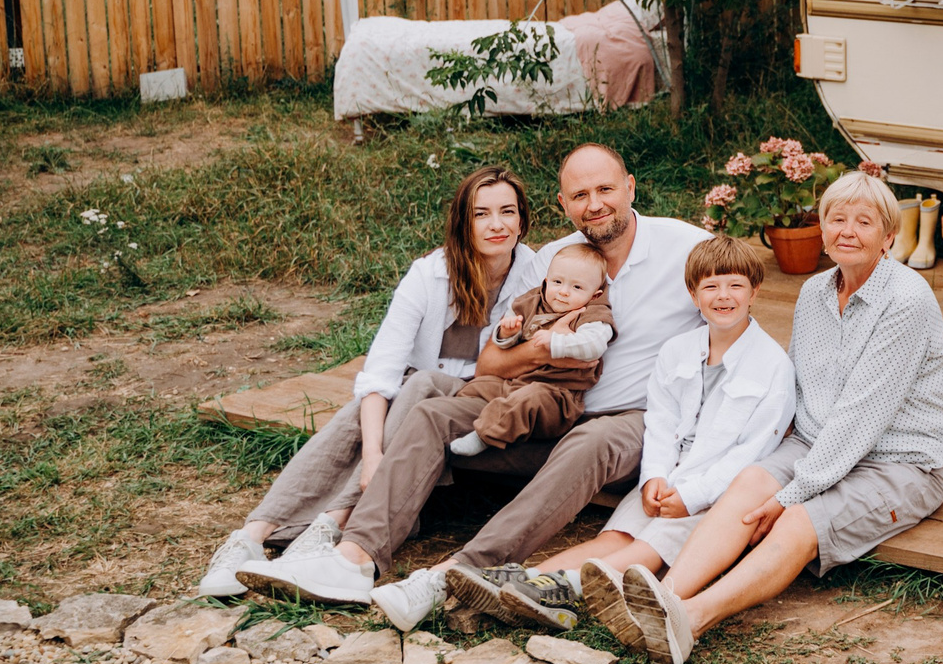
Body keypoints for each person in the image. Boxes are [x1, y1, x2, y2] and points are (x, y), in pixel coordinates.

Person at [242, 144, 708, 629]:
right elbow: (489, 360)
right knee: (430, 412)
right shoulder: (550, 262)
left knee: (590, 440)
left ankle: (458, 570)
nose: (594, 204)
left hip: (632, 423)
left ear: (630, 187)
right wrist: (543, 350)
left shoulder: (687, 248)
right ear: (562, 203)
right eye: (580, 194)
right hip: (542, 408)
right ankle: (354, 558)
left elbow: (732, 326)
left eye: (606, 189)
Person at [608, 170, 943, 664]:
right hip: (815, 442)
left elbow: (861, 420)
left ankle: (689, 619)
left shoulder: (906, 301)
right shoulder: (815, 292)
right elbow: (796, 380)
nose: (847, 231)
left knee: (794, 521)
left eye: (864, 222)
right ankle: (660, 598)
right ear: (823, 227)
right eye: (837, 219)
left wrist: (793, 492)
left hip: (899, 461)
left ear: (889, 236)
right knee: (749, 480)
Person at [195, 165, 542, 599]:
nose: (497, 225)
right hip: (418, 397)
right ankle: (252, 534)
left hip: (481, 400)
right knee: (358, 415)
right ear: (462, 223)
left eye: (507, 212)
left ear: (523, 219)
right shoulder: (429, 274)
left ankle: (330, 525)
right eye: (481, 214)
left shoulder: (537, 274)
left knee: (424, 383)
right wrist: (375, 455)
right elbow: (381, 373)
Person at [513, 235, 793, 637]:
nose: (723, 296)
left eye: (735, 285)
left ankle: (564, 589)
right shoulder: (677, 350)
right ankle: (525, 581)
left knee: (647, 549)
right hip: (667, 475)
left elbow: (753, 451)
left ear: (755, 291)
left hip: (713, 489)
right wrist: (654, 477)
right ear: (693, 294)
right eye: (710, 286)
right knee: (615, 536)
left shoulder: (772, 365)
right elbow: (660, 421)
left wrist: (693, 496)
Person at [443, 241, 616, 455]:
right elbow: (505, 338)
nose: (563, 292)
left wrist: (556, 342)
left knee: (528, 398)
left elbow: (594, 345)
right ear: (546, 281)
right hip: (517, 383)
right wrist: (506, 333)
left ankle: (485, 435)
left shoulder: (592, 315)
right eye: (557, 282)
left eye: (577, 287)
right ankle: (454, 409)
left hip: (555, 397)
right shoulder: (532, 301)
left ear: (595, 294)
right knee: (480, 385)